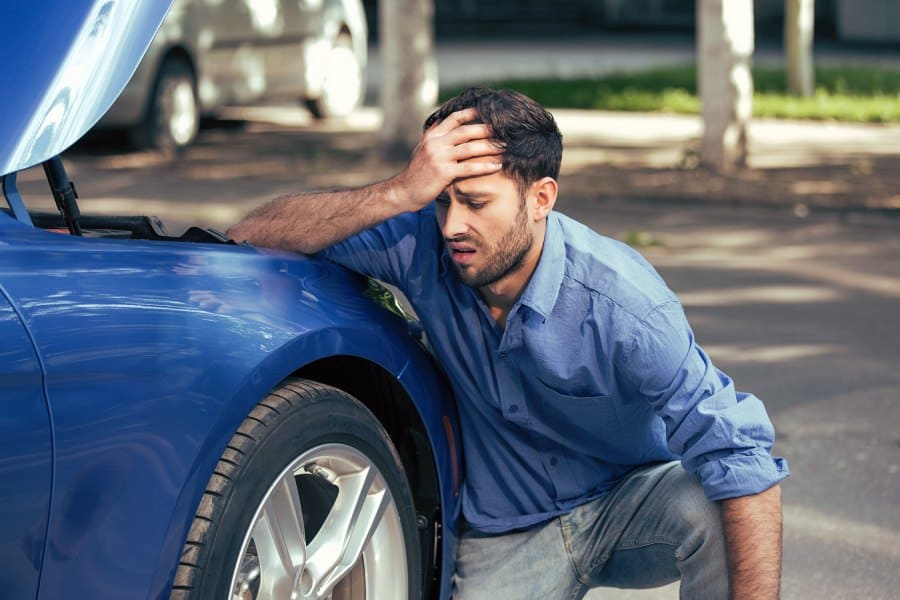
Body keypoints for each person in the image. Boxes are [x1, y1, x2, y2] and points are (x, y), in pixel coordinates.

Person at [228, 87, 789, 599]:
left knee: (712, 505)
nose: (451, 225)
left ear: (541, 198)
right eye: (443, 201)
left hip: (629, 502)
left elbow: (740, 453)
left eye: (475, 203)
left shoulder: (625, 304)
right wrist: (400, 191)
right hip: (509, 528)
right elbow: (251, 233)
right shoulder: (421, 241)